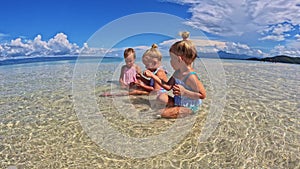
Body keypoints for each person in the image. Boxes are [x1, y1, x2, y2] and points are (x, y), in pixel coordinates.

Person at [144, 32, 206, 118]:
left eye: (172, 59)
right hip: (178, 101)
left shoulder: (190, 76)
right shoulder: (177, 72)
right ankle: (173, 108)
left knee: (160, 113)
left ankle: (172, 110)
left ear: (179, 59)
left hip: (189, 107)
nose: (170, 62)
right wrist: (153, 76)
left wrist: (185, 92)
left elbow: (202, 95)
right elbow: (168, 86)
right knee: (161, 97)